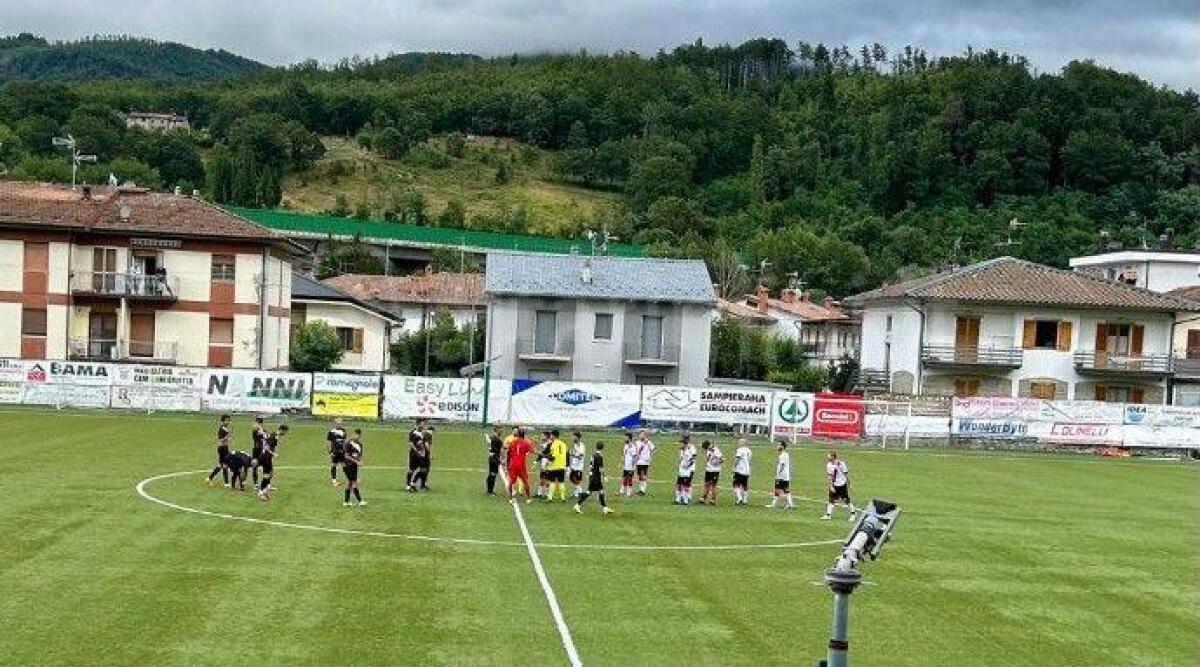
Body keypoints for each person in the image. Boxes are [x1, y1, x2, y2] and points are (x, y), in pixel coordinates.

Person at [573, 441, 614, 515]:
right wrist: (605, 477)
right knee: (590, 493)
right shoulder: (599, 456)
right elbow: (601, 468)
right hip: (596, 477)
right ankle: (577, 505)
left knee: (600, 491)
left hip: (593, 476)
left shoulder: (593, 455)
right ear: (603, 448)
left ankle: (605, 508)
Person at [823, 452, 858, 520]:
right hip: (834, 485)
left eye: (829, 456)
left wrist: (849, 484)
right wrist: (831, 486)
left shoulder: (841, 464)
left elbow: (846, 474)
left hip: (841, 485)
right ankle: (828, 515)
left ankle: (853, 514)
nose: (827, 457)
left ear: (833, 457)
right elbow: (830, 476)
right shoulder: (828, 465)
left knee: (846, 500)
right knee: (831, 501)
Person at [257, 424, 288, 501]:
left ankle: (265, 489)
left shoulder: (276, 435)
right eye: (285, 432)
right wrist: (272, 453)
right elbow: (266, 446)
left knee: (270, 473)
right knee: (267, 475)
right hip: (265, 457)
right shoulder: (274, 435)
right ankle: (261, 492)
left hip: (268, 457)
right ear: (282, 430)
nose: (285, 433)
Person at [505, 428, 535, 504]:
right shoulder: (526, 443)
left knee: (511, 481)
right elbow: (533, 451)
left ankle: (511, 499)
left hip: (513, 464)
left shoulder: (512, 442)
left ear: (518, 434)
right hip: (521, 464)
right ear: (524, 435)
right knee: (525, 481)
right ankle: (528, 498)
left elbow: (508, 453)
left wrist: (508, 463)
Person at [765, 440, 794, 510]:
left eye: (778, 445)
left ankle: (774, 504)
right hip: (785, 475)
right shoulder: (785, 454)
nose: (777, 447)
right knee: (785, 490)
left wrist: (777, 474)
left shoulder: (783, 455)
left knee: (778, 489)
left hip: (782, 475)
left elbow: (782, 465)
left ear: (782, 446)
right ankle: (790, 504)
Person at [206, 414, 232, 487]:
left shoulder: (226, 428)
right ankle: (225, 482)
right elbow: (220, 440)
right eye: (226, 420)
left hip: (225, 448)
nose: (228, 422)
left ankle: (211, 478)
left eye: (229, 420)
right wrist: (227, 437)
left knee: (223, 465)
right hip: (222, 448)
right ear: (223, 421)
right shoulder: (222, 429)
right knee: (224, 465)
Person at [342, 429, 366, 506]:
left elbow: (359, 455)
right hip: (347, 465)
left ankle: (346, 501)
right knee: (354, 482)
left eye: (358, 435)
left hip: (354, 466)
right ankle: (360, 501)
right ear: (353, 434)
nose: (357, 436)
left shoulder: (360, 445)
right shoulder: (348, 443)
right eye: (356, 435)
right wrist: (356, 461)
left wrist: (360, 461)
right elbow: (346, 456)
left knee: (350, 483)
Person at [545, 429, 569, 502]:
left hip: (554, 466)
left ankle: (550, 498)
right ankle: (563, 498)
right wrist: (567, 465)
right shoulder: (564, 444)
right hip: (562, 466)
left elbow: (553, 457)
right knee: (561, 482)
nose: (550, 437)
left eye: (551, 435)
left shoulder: (554, 444)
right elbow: (567, 454)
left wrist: (546, 456)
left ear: (554, 435)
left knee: (552, 482)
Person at [674, 434, 697, 505]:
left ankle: (686, 499)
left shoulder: (690, 448)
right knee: (679, 484)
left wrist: (687, 466)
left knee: (686, 484)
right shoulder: (682, 450)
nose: (679, 444)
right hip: (682, 469)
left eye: (681, 442)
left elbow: (693, 459)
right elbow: (681, 458)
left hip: (688, 470)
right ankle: (679, 499)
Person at [406, 421, 427, 492]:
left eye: (424, 424)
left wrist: (423, 452)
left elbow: (422, 444)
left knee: (423, 469)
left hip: (421, 454)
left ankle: (413, 483)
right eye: (422, 424)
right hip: (414, 454)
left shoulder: (423, 433)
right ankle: (408, 485)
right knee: (411, 470)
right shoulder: (413, 432)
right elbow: (411, 444)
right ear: (418, 424)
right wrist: (417, 451)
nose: (424, 425)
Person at [701, 440, 723, 505]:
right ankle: (704, 497)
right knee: (706, 484)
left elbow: (722, 459)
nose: (707, 449)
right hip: (708, 469)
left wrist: (716, 462)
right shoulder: (708, 451)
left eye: (708, 447)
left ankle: (713, 499)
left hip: (715, 470)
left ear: (709, 445)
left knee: (713, 485)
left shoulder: (717, 451)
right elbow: (708, 459)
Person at [634, 429, 656, 495]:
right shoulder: (637, 442)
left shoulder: (648, 442)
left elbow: (654, 449)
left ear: (645, 435)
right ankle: (640, 489)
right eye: (640, 434)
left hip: (645, 461)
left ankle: (643, 490)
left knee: (643, 475)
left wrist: (650, 457)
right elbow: (636, 450)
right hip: (638, 461)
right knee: (639, 475)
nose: (640, 435)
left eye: (642, 434)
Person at [731, 438, 753, 506]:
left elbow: (737, 459)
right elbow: (749, 461)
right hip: (747, 470)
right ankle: (745, 500)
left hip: (740, 470)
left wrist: (734, 467)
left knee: (736, 484)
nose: (738, 443)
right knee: (744, 485)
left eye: (740, 442)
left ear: (743, 443)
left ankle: (739, 498)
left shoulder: (740, 450)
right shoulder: (749, 450)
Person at [327, 417, 347, 487]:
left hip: (342, 451)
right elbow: (328, 442)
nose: (339, 425)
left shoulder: (343, 431)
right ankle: (334, 480)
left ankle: (350, 478)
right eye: (338, 423)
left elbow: (344, 441)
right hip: (335, 451)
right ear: (335, 424)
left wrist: (346, 450)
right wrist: (330, 452)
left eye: (340, 423)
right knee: (334, 465)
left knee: (344, 465)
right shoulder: (331, 432)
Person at [485, 425, 504, 495]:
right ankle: (490, 491)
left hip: (492, 458)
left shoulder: (493, 438)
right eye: (501, 429)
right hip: (494, 459)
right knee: (493, 474)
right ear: (497, 430)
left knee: (491, 474)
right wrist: (500, 461)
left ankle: (489, 489)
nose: (502, 431)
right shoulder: (497, 440)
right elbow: (497, 451)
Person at [567, 431, 586, 498]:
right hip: (574, 466)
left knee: (576, 480)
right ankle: (577, 493)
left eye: (574, 437)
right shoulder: (575, 445)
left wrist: (572, 454)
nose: (572, 438)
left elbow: (580, 456)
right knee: (571, 479)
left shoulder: (582, 446)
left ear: (577, 438)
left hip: (579, 467)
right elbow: (575, 453)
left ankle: (579, 493)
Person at [535, 430, 553, 499]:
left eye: (542, 435)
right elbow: (542, 450)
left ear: (546, 436)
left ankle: (547, 494)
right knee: (542, 479)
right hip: (543, 464)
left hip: (548, 464)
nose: (541, 437)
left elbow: (549, 454)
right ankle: (539, 493)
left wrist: (547, 462)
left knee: (547, 480)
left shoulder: (550, 444)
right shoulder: (545, 443)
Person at [249, 416, 266, 487]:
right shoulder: (255, 430)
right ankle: (255, 483)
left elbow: (265, 436)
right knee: (255, 465)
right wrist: (260, 430)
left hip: (262, 449)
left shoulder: (263, 429)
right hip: (257, 448)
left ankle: (266, 483)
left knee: (266, 465)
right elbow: (259, 434)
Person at [619, 432, 637, 498]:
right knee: (624, 478)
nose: (624, 438)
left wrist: (633, 467)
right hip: (625, 466)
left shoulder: (633, 447)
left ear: (629, 438)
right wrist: (622, 462)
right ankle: (622, 491)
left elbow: (635, 457)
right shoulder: (625, 445)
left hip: (630, 466)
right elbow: (624, 455)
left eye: (625, 437)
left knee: (629, 479)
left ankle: (629, 493)